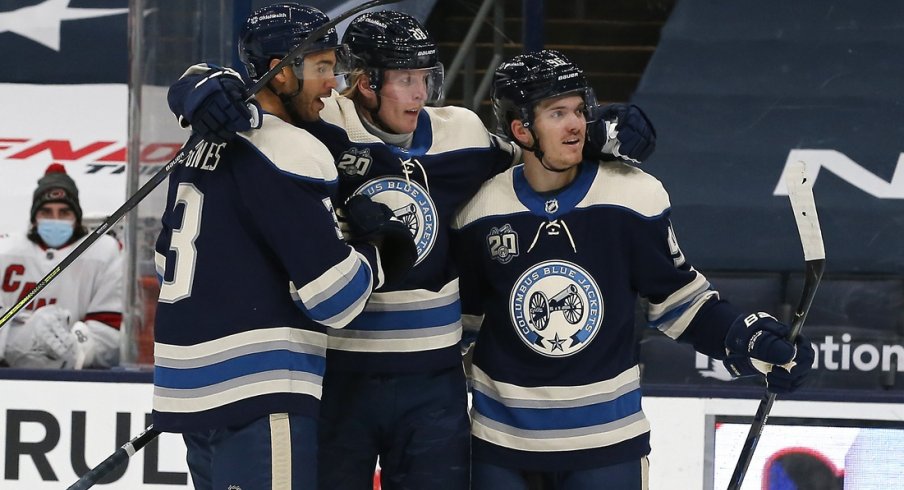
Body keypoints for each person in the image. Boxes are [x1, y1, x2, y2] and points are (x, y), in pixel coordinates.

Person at [167, 8, 656, 489]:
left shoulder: (461, 132)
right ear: (364, 82)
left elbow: (537, 155)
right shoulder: (318, 122)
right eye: (404, 78)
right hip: (340, 375)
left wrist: (604, 132)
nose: (420, 93)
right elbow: (256, 92)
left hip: (433, 380)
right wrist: (202, 83)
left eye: (426, 76)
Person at [450, 49, 816, 489]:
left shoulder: (631, 197)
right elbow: (460, 326)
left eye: (580, 110)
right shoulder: (479, 210)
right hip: (499, 449)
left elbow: (681, 303)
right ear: (519, 129)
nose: (576, 124)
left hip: (607, 447)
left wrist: (747, 339)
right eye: (557, 112)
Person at [151, 4, 415, 489]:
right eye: (319, 68)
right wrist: (376, 251)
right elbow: (333, 299)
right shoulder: (290, 149)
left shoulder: (200, 143)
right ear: (279, 74)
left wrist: (200, 79)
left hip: (191, 390)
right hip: (259, 387)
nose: (332, 84)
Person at [0, 163, 122, 369]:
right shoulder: (6, 250)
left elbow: (109, 329)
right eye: (46, 212)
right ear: (34, 218)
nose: (55, 219)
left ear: (76, 217)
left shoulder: (103, 253)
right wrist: (13, 339)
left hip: (76, 382)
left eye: (64, 212)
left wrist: (78, 350)